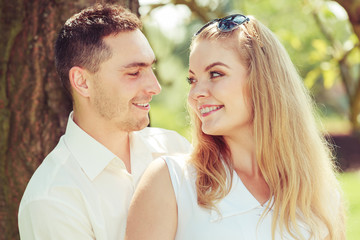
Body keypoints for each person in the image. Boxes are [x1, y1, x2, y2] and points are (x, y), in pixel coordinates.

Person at [125, 14, 346, 240]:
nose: (195, 93)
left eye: (216, 74)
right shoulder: (170, 182)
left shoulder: (321, 196)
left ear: (262, 81)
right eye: (192, 80)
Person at [18, 4, 192, 240]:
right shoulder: (52, 199)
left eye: (151, 68)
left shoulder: (176, 150)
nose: (155, 87)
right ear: (82, 82)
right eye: (133, 73)